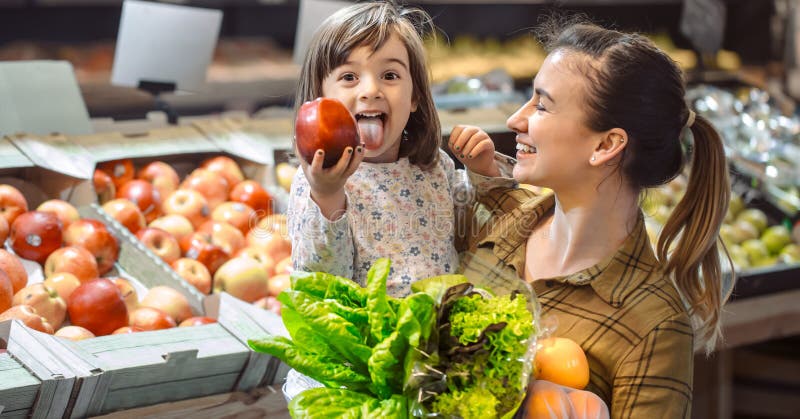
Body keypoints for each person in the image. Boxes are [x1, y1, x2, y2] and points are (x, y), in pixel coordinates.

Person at [460, 21, 734, 418]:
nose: (516, 121)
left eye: (541, 104)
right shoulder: (497, 219)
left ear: (606, 145)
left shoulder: (655, 326)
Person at [288, 1, 511, 297]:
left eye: (390, 76)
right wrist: (328, 196)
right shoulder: (314, 183)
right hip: (371, 340)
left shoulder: (435, 167)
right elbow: (322, 283)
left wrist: (484, 171)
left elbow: (481, 228)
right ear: (320, 100)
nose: (370, 90)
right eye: (349, 77)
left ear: (415, 96)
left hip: (439, 334)